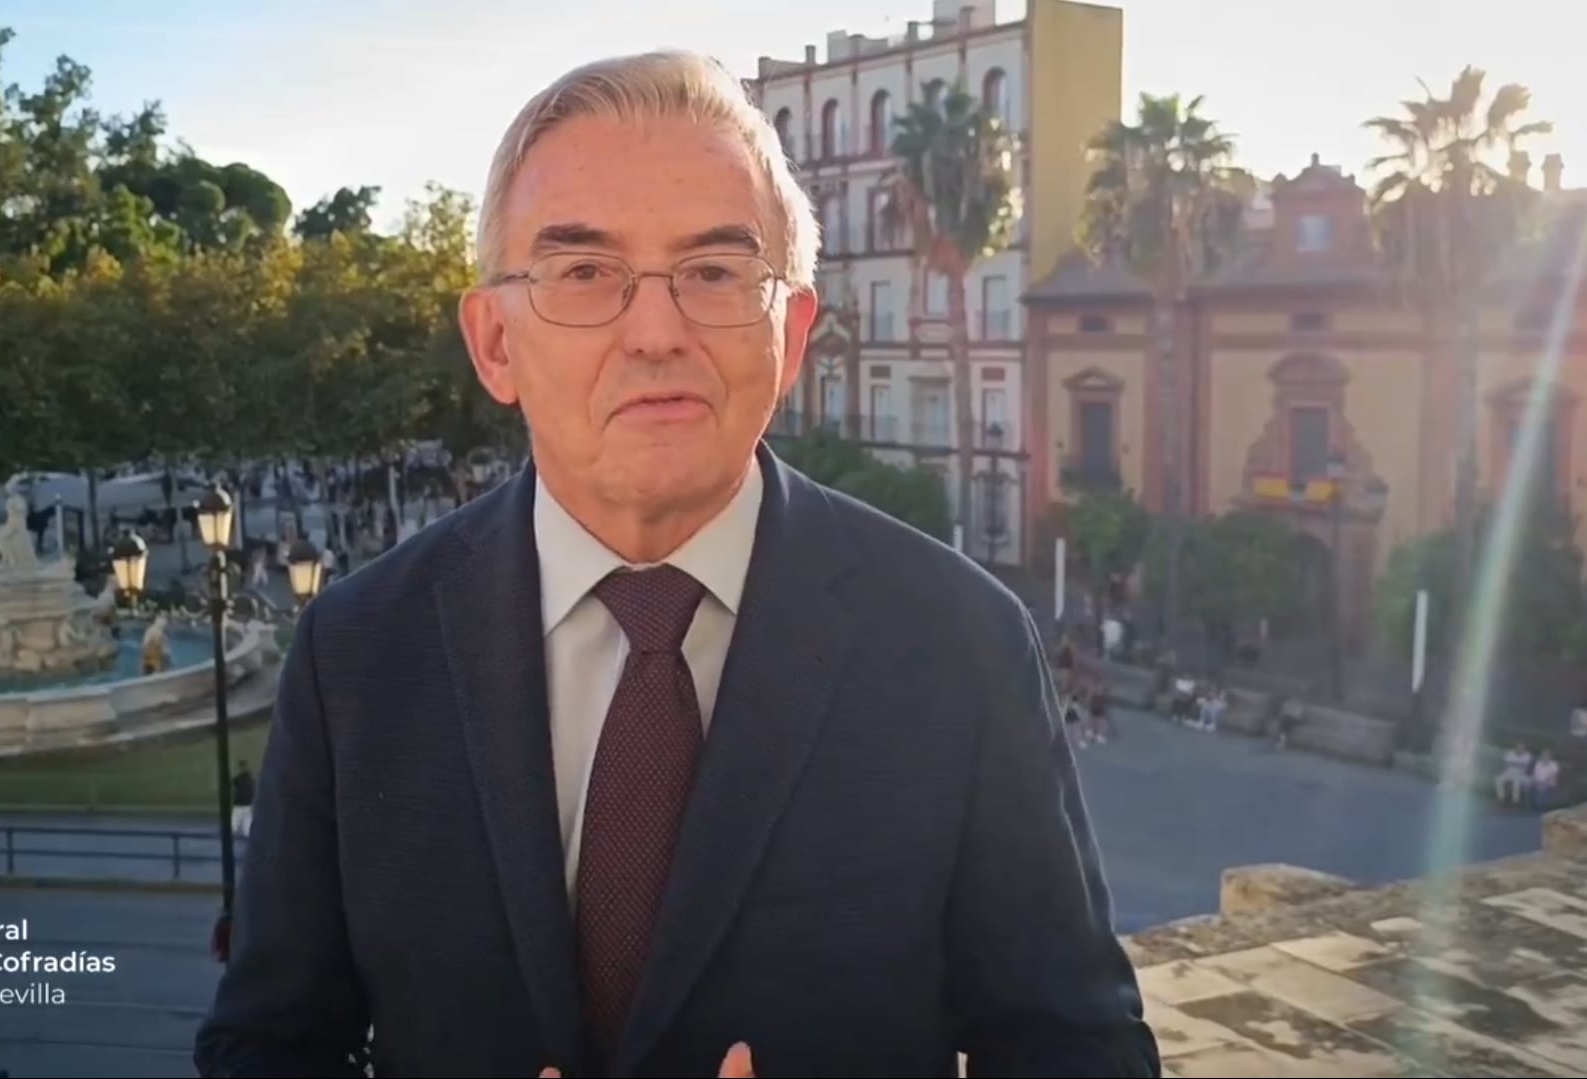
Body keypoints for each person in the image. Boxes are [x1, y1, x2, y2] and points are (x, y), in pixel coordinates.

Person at [194, 49, 1157, 1079]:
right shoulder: (356, 654)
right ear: (495, 343)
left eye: (713, 272)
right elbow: (268, 1042)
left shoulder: (960, 642)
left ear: (791, 337)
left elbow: (1079, 1049)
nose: (655, 331)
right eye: (583, 273)